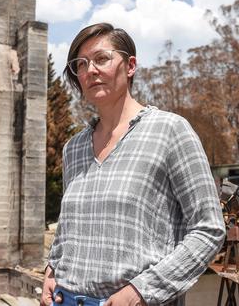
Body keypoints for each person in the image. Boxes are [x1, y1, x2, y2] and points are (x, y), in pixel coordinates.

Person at [41, 23, 225, 306]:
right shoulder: (74, 148)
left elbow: (208, 228)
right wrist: (51, 269)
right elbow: (69, 226)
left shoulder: (170, 131)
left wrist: (142, 291)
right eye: (81, 64)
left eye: (102, 59)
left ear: (130, 66)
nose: (90, 70)